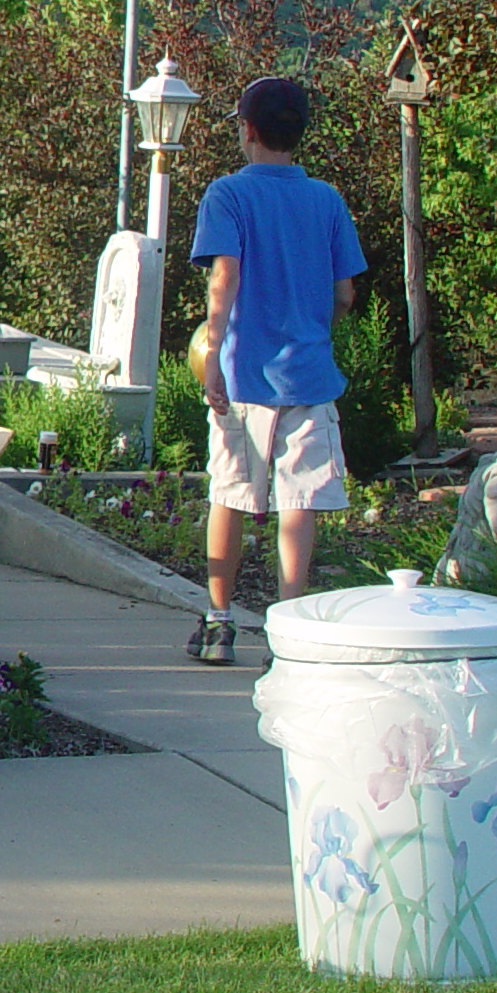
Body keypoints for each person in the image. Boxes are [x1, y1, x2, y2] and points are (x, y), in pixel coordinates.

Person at [186, 75, 367, 666]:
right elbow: (345, 294)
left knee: (231, 494)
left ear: (248, 128)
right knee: (300, 504)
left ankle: (218, 624)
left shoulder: (228, 195)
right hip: (309, 376)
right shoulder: (327, 200)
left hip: (245, 378)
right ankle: (290, 632)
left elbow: (224, 278)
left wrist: (212, 355)